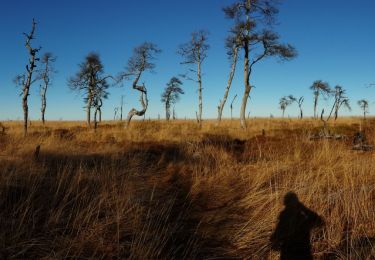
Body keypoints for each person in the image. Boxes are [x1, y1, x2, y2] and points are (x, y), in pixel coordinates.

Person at [270, 192, 324, 260]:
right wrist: (303, 208)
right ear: (297, 205)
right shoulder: (303, 219)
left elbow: (274, 238)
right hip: (303, 255)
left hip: (287, 256)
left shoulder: (284, 220)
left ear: (285, 204)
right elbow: (319, 221)